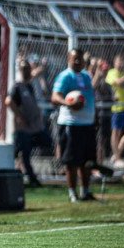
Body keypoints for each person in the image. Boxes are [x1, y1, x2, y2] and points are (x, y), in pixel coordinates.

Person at [51, 49, 97, 203]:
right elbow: (55, 97)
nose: (77, 62)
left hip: (88, 124)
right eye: (74, 59)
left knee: (87, 161)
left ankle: (85, 191)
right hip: (71, 124)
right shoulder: (65, 76)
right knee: (71, 162)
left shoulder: (86, 76)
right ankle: (72, 193)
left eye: (80, 59)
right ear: (68, 59)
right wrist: (68, 103)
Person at [5, 59, 52, 187]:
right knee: (23, 153)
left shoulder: (29, 86)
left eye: (27, 68)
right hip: (23, 128)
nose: (26, 71)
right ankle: (30, 178)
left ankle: (25, 171)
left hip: (34, 127)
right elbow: (9, 101)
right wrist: (20, 117)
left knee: (46, 141)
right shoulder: (17, 86)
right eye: (23, 68)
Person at [105, 54, 124, 168]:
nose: (120, 63)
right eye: (119, 61)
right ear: (114, 62)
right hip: (117, 108)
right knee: (116, 132)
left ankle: (116, 154)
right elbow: (117, 82)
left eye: (122, 61)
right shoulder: (111, 72)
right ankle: (117, 157)